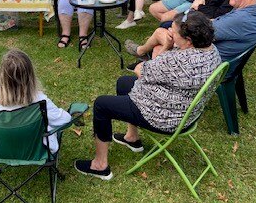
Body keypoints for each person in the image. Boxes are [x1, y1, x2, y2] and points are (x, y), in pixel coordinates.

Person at [74, 11, 221, 180]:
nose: (170, 33)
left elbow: (142, 69)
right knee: (123, 82)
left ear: (188, 41)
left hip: (166, 117)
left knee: (101, 104)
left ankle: (100, 165)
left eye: (173, 31)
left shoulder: (179, 61)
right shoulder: (212, 50)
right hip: (188, 110)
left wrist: (166, 46)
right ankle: (132, 137)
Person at [125, 0, 256, 67]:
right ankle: (144, 56)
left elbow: (197, 34)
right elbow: (215, 25)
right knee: (163, 33)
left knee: (162, 39)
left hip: (203, 63)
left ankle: (148, 68)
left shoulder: (241, 19)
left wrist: (177, 29)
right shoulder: (250, 13)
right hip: (210, 55)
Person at [0, 49, 72, 153]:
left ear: (1, 75)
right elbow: (65, 120)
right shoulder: (40, 102)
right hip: (33, 151)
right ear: (30, 76)